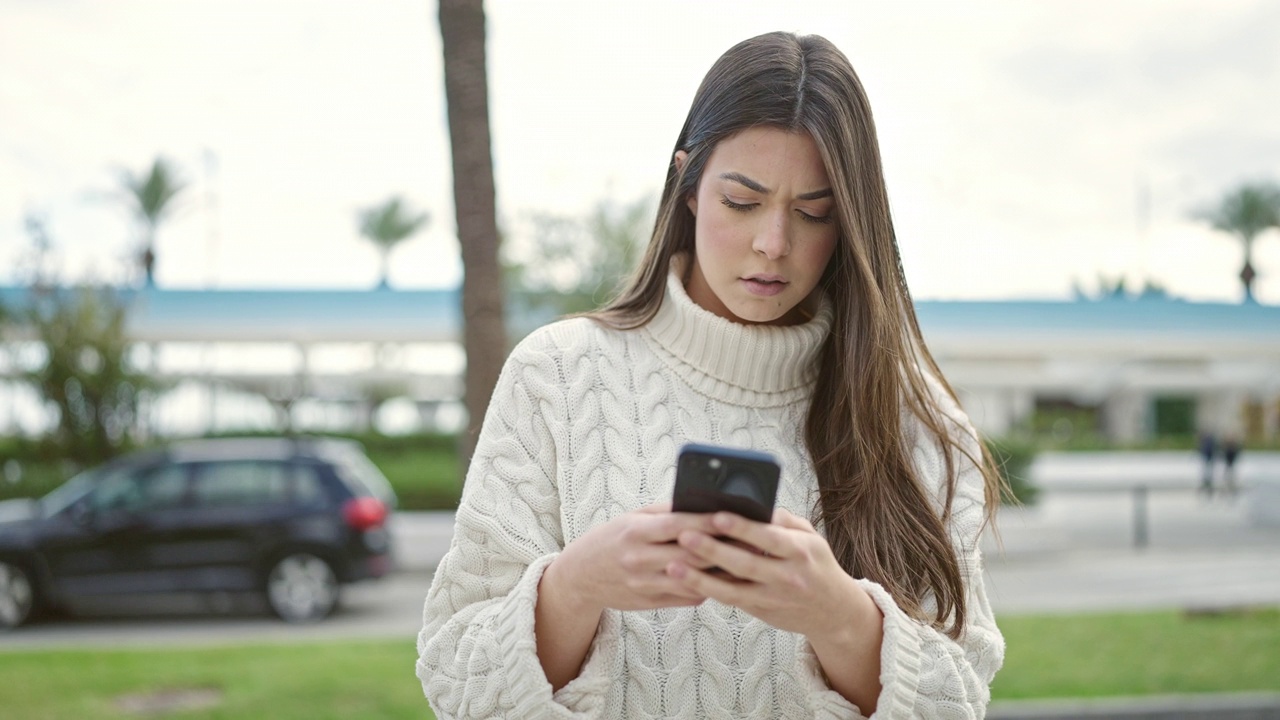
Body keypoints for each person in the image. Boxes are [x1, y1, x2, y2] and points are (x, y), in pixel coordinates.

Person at [417, 31, 1006, 719]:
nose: (773, 244)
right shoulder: (555, 377)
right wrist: (575, 585)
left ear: (850, 222)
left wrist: (839, 616)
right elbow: (456, 679)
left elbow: (960, 699)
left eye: (814, 212)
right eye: (742, 201)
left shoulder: (918, 424)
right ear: (689, 187)